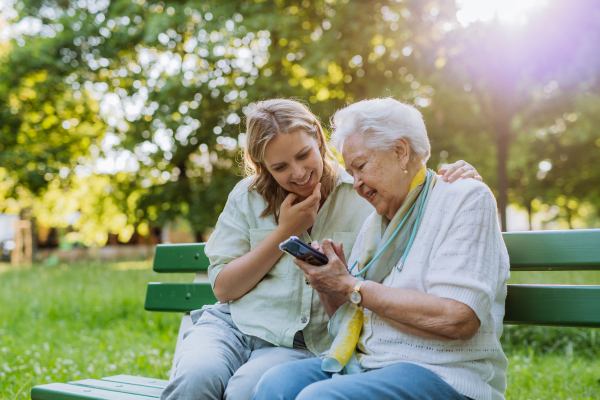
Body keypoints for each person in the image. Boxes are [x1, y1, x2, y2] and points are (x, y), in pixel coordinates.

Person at [159, 99, 482, 400]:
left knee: (248, 388)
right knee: (195, 379)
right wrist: (286, 232)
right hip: (233, 326)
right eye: (280, 167)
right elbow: (224, 289)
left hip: (299, 342)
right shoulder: (247, 196)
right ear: (262, 166)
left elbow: (413, 179)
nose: (297, 174)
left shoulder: (365, 195)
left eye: (303, 156)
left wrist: (457, 175)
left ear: (317, 137)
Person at [254, 98, 510, 400]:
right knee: (275, 386)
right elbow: (348, 319)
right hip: (370, 364)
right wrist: (327, 284)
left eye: (361, 166)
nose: (357, 183)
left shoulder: (464, 199)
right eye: (351, 171)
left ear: (401, 151)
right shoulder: (375, 225)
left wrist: (352, 285)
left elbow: (458, 318)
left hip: (443, 373)